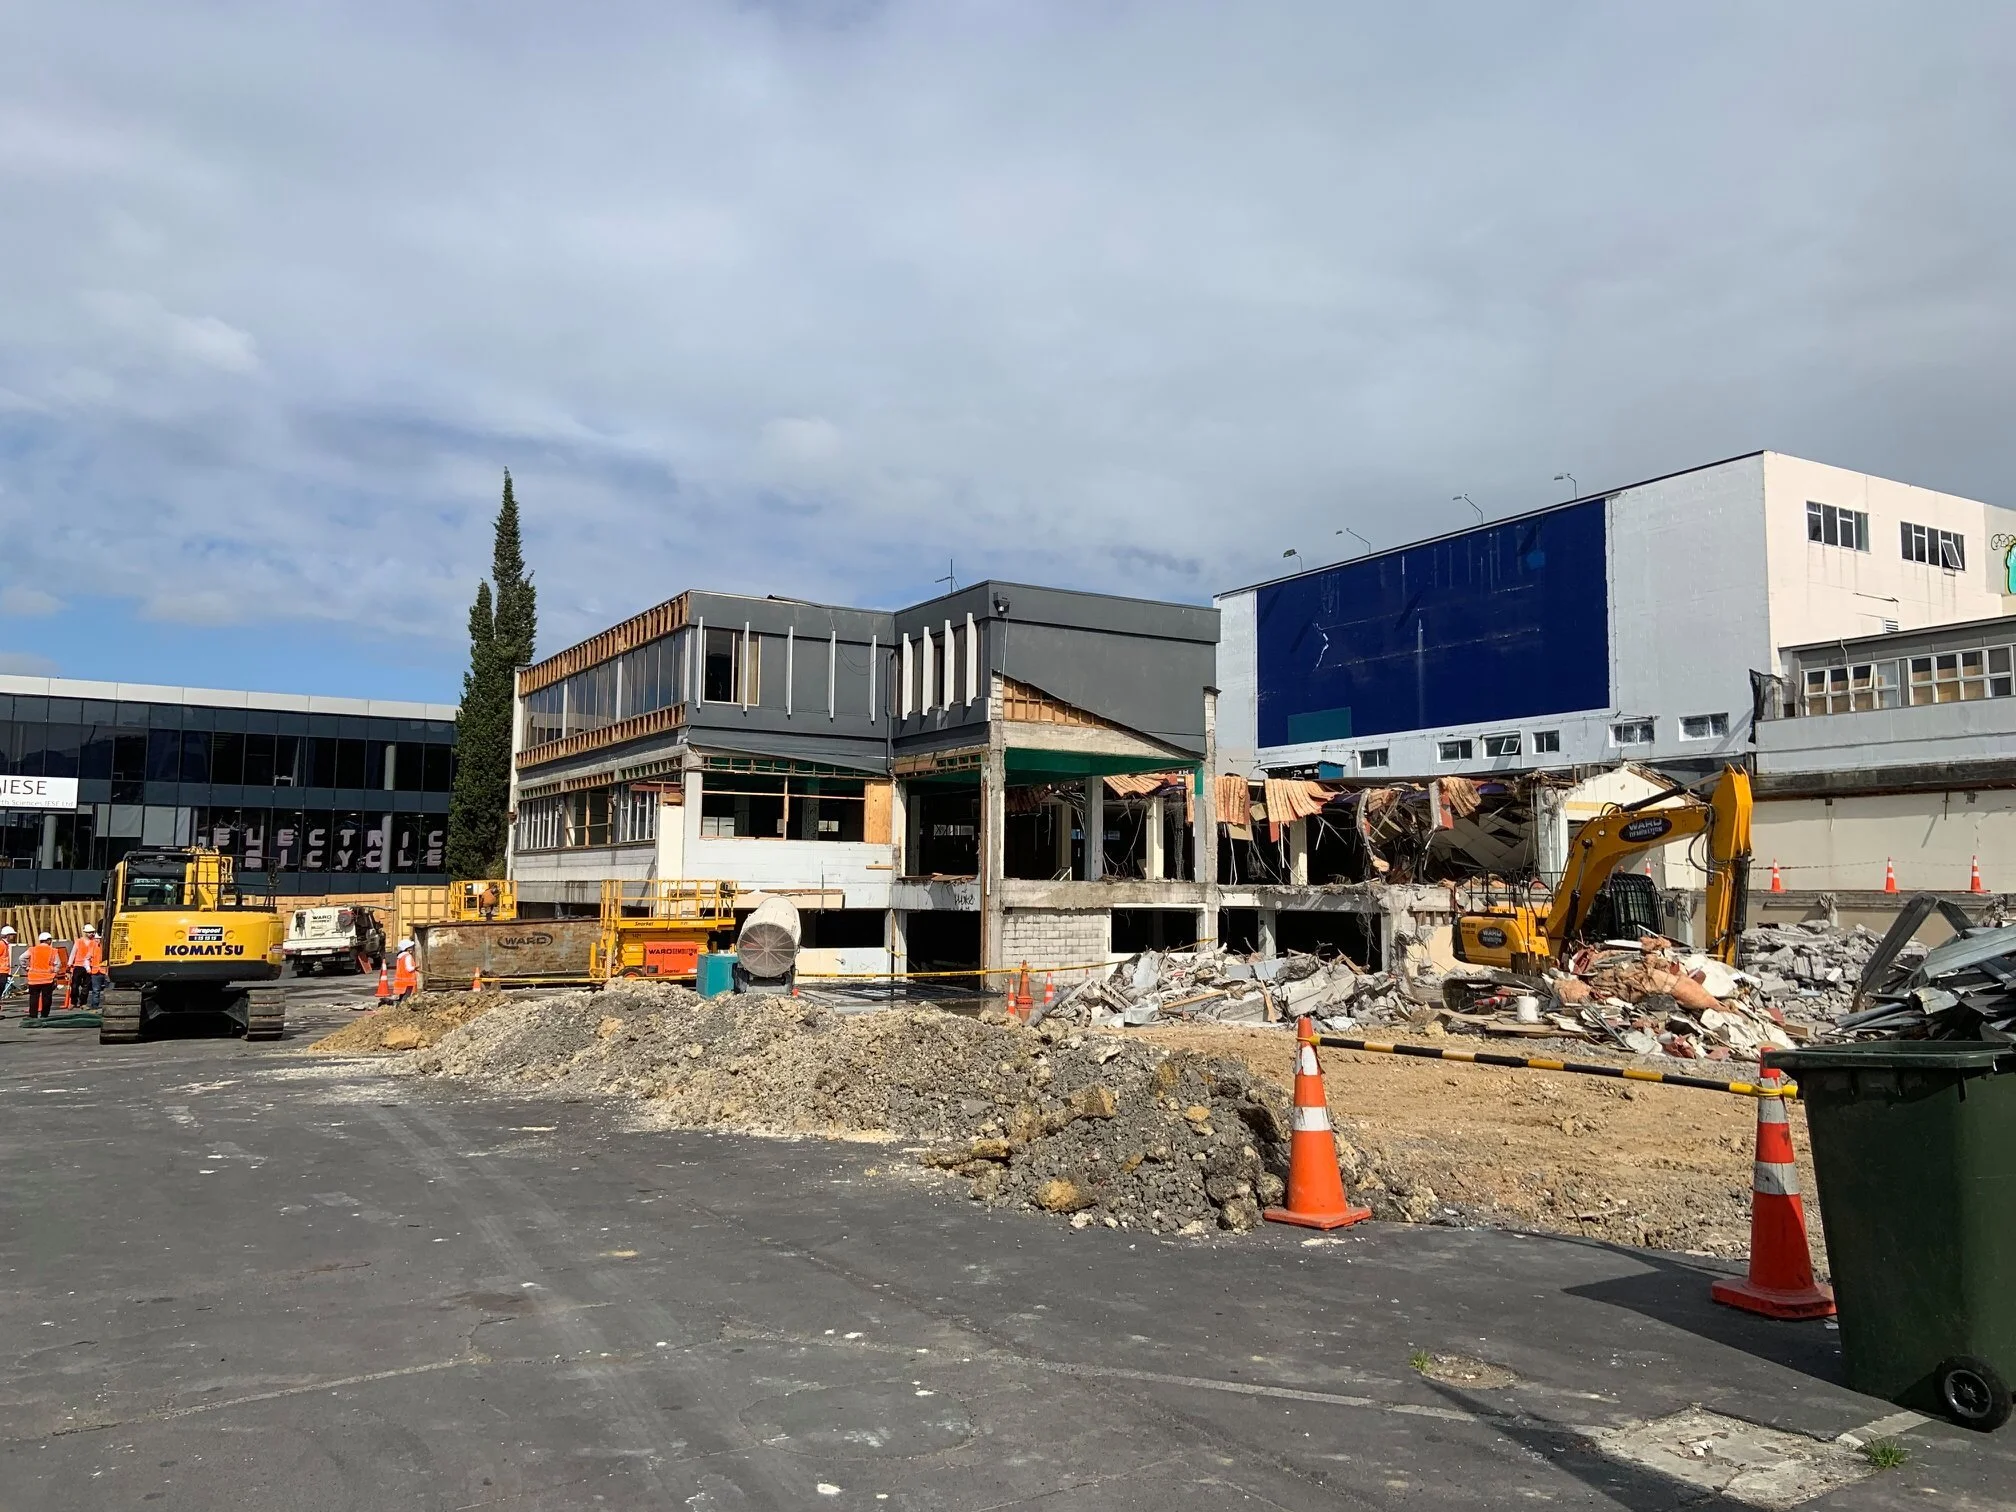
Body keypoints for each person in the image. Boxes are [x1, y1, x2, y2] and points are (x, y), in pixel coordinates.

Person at [25, 931, 63, 1020]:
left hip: (34, 979)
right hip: (47, 979)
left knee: (33, 998)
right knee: (47, 998)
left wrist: (26, 968)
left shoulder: (32, 950)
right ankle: (44, 1015)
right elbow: (58, 964)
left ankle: (33, 1015)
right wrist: (54, 971)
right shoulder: (53, 951)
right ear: (48, 940)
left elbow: (21, 958)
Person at [68, 924, 107, 1011]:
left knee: (86, 986)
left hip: (90, 967)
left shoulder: (95, 942)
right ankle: (73, 1002)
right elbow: (73, 953)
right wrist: (69, 964)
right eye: (89, 932)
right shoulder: (79, 941)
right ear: (85, 933)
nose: (91, 934)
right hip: (78, 966)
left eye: (92, 932)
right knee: (74, 986)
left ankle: (83, 1003)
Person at [391, 936, 419, 1006]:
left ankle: (398, 1005)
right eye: (411, 947)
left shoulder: (400, 957)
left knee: (402, 994)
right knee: (406, 996)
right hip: (408, 980)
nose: (412, 949)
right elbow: (409, 968)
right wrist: (415, 967)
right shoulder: (407, 956)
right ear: (407, 948)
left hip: (401, 980)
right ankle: (402, 1006)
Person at [0, 925, 18, 1002]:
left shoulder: (5, 945)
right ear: (7, 935)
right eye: (12, 935)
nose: (13, 937)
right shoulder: (2, 944)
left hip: (3, 972)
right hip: (1, 972)